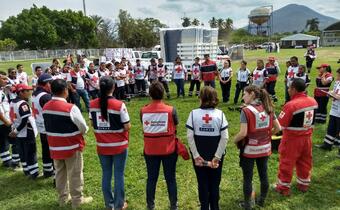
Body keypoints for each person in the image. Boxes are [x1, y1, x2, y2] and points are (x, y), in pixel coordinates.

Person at [42, 79, 93, 208]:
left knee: (60, 173)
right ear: (65, 91)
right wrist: (85, 130)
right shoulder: (70, 108)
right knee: (75, 173)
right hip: (71, 146)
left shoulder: (46, 106)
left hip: (54, 146)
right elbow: (82, 127)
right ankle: (77, 200)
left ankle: (63, 198)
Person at [234, 85, 280, 209]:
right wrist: (267, 135)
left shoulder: (246, 111)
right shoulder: (268, 107)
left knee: (247, 178)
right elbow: (278, 128)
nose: (243, 96)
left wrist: (234, 140)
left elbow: (243, 133)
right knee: (263, 174)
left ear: (252, 94)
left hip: (249, 149)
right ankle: (261, 201)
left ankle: (248, 204)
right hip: (265, 148)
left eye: (244, 93)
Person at [90, 76, 130, 210]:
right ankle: (119, 205)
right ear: (114, 87)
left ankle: (109, 204)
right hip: (119, 145)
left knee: (106, 174)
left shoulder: (92, 104)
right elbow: (127, 126)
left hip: (102, 146)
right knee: (119, 174)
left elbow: (92, 123)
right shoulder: (119, 104)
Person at [186, 86, 228, 210]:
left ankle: (204, 206)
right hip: (216, 155)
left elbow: (190, 137)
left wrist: (196, 155)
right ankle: (215, 207)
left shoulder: (193, 114)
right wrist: (217, 157)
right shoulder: (220, 114)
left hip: (199, 155)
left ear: (201, 98)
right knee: (215, 183)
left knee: (202, 183)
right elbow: (225, 138)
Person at [275, 78, 318, 195]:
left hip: (292, 139)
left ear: (293, 89)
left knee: (287, 162)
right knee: (305, 161)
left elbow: (280, 126)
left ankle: (283, 187)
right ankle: (303, 184)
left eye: (289, 88)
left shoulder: (291, 105)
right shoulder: (313, 101)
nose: (288, 90)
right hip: (307, 138)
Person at [140, 81, 179, 210]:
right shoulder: (171, 110)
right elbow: (176, 126)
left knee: (151, 179)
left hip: (150, 150)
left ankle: (150, 205)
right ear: (163, 94)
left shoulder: (143, 110)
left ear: (150, 95)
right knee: (171, 179)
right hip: (169, 149)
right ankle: (174, 205)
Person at [9, 83, 39, 178]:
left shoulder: (12, 102)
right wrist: (16, 131)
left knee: (23, 152)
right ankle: (34, 173)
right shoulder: (22, 104)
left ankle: (26, 170)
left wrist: (15, 130)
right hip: (26, 131)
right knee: (30, 151)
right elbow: (25, 120)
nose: (29, 92)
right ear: (21, 92)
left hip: (18, 131)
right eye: (27, 91)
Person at [31, 74, 54, 177]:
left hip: (40, 126)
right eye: (51, 84)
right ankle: (54, 172)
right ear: (47, 84)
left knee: (45, 149)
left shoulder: (35, 94)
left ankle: (47, 170)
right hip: (48, 127)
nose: (52, 86)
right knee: (53, 151)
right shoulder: (45, 96)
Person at [316, 68, 340, 152]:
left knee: (338, 129)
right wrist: (330, 93)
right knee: (331, 127)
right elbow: (335, 91)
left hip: (339, 112)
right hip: (334, 110)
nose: (337, 76)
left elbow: (338, 96)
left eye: (338, 75)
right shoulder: (337, 82)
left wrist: (333, 95)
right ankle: (327, 144)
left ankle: (337, 144)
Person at [0, 71, 19, 167]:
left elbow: (13, 85)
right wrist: (6, 121)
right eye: (3, 79)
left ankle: (6, 160)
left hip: (3, 121)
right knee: (15, 139)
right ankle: (15, 160)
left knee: (3, 141)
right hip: (3, 121)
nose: (5, 80)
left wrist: (7, 79)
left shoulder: (1, 90)